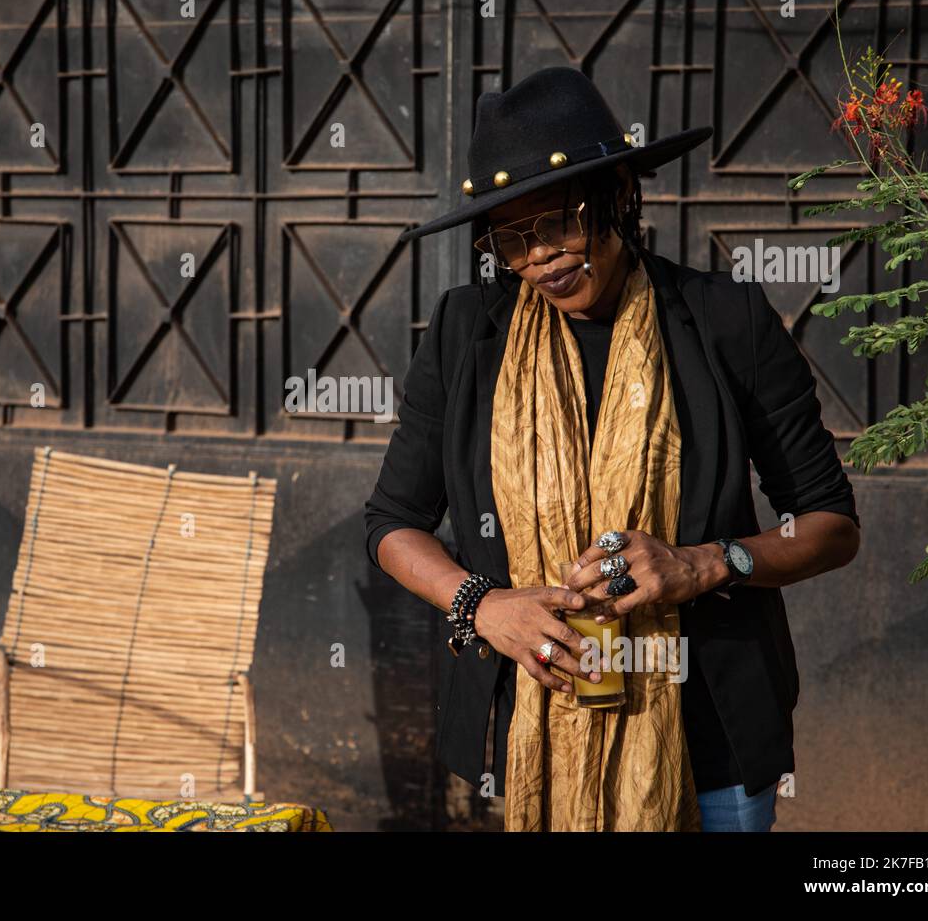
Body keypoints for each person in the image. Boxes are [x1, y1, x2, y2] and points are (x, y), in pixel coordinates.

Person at [363, 67, 861, 831]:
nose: (543, 258)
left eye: (560, 221)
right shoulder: (468, 335)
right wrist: (484, 604)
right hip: (536, 717)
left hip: (713, 735)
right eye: (513, 238)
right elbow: (393, 523)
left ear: (621, 192)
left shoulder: (726, 321)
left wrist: (702, 564)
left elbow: (830, 523)